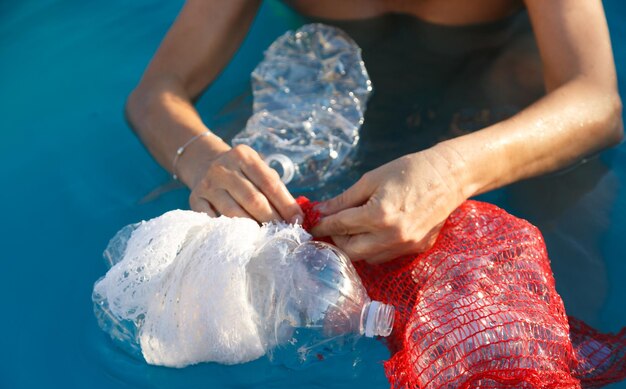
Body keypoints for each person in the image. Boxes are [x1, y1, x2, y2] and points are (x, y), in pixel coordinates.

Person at [126, 0, 623, 264]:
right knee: (214, 233)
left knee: (572, 247)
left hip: (497, 98)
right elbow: (157, 94)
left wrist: (453, 172)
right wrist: (203, 161)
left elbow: (596, 101)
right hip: (319, 93)